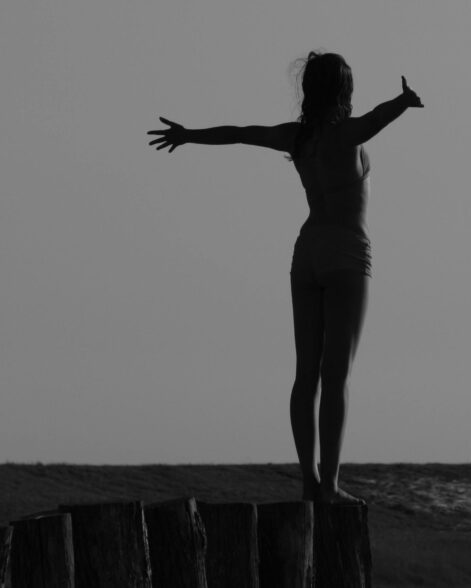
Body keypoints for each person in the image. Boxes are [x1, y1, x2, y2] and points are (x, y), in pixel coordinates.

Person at [148, 51, 423, 504]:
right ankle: (330, 485)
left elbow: (240, 133)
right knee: (336, 375)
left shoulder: (297, 138)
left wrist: (188, 135)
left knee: (305, 375)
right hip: (345, 253)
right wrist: (403, 102)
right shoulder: (346, 135)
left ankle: (309, 482)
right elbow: (376, 119)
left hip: (307, 253)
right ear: (344, 91)